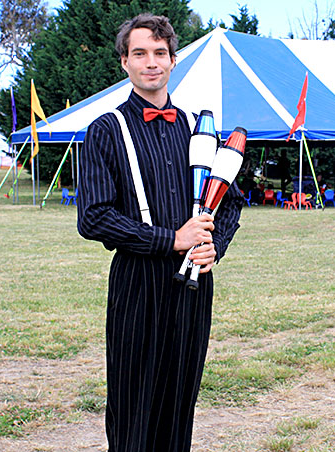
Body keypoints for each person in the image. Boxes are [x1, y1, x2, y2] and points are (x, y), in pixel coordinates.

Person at [76, 14, 243, 452]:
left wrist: (213, 248)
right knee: (133, 405)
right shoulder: (105, 131)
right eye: (139, 53)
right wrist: (170, 240)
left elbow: (232, 202)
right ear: (124, 63)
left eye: (159, 53)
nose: (151, 63)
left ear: (173, 61)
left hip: (194, 288)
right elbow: (93, 217)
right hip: (137, 283)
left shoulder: (197, 127)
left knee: (178, 402)